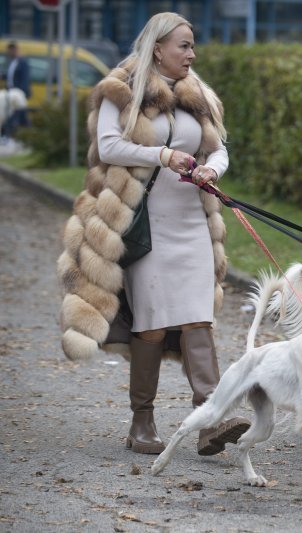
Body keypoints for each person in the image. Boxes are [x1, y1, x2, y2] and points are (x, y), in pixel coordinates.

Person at [56, 12, 249, 455]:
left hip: (192, 223)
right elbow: (109, 146)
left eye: (193, 45)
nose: (192, 53)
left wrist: (208, 169)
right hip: (142, 223)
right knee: (152, 324)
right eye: (184, 45)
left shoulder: (198, 93)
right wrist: (162, 154)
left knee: (199, 317)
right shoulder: (122, 90)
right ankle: (141, 422)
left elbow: (220, 149)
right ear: (157, 48)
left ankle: (211, 421)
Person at [2, 42, 31, 139]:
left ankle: (7, 133)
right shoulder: (13, 62)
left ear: (14, 50)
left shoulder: (22, 62)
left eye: (10, 50)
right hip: (12, 92)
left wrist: (22, 93)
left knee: (14, 114)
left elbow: (25, 78)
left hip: (18, 93)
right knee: (20, 115)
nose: (9, 53)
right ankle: (28, 133)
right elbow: (11, 76)